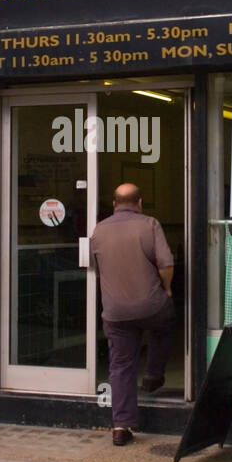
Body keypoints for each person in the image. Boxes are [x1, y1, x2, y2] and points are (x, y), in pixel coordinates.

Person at [89, 182, 175, 446]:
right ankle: (152, 374)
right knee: (166, 322)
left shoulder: (99, 230)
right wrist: (167, 289)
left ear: (114, 204)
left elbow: (95, 266)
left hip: (115, 311)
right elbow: (166, 263)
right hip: (150, 305)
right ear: (139, 203)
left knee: (121, 365)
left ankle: (121, 426)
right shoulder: (150, 224)